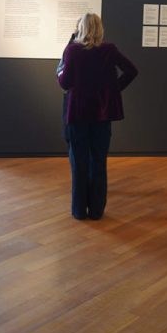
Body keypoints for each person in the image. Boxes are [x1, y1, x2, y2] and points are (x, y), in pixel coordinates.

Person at [56, 13, 138, 221]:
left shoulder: (72, 50)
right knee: (99, 162)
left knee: (79, 162)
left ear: (80, 28)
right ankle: (96, 210)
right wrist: (113, 90)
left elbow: (64, 82)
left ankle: (78, 210)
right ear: (100, 29)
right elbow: (132, 71)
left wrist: (61, 67)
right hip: (102, 114)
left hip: (77, 114)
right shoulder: (109, 50)